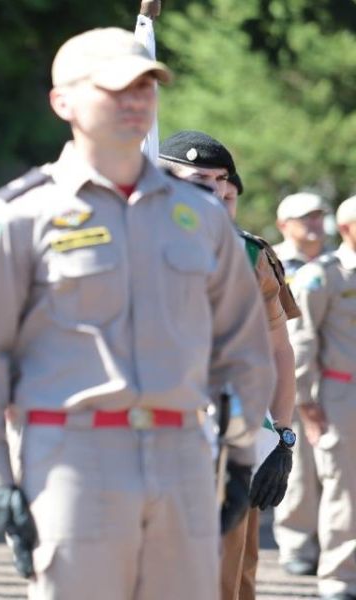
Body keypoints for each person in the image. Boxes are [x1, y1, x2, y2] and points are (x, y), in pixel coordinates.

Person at [0, 29, 274, 599]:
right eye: (115, 89)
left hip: (184, 459)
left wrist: (243, 456)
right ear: (63, 102)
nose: (135, 102)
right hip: (74, 461)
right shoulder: (21, 215)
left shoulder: (200, 215)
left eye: (146, 87)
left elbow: (243, 347)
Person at [158, 129, 301, 600]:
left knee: (227, 578)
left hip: (230, 436)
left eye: (221, 180)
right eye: (201, 178)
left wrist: (282, 435)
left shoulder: (249, 254)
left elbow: (278, 350)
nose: (217, 191)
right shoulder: (128, 245)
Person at [288, 197, 356, 600]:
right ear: (347, 228)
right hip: (341, 394)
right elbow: (302, 338)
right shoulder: (322, 276)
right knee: (344, 490)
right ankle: (340, 579)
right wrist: (305, 402)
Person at [273, 191, 330, 576]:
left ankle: (331, 547)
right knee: (298, 467)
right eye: (304, 218)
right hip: (287, 373)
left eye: (318, 216)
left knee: (335, 469)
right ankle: (296, 545)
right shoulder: (270, 260)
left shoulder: (337, 263)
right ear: (283, 225)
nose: (313, 224)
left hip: (335, 377)